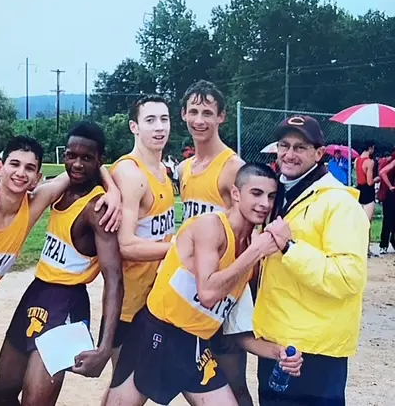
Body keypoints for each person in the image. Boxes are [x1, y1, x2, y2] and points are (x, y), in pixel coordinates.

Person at [104, 163, 303, 406]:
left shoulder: (251, 247)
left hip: (196, 346)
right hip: (157, 335)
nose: (265, 203)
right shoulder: (211, 227)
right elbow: (208, 293)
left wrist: (277, 352)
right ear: (236, 193)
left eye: (271, 196)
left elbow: (235, 330)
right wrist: (256, 252)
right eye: (256, 193)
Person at [0, 135, 120, 406]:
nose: (20, 173)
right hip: (25, 293)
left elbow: (81, 167)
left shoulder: (42, 203)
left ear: (37, 177)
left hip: (65, 301)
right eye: (14, 164)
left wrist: (113, 190)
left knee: (32, 401)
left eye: (29, 168)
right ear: (0, 166)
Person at [255, 115, 368, 405]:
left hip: (316, 351)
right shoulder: (276, 196)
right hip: (276, 341)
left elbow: (348, 277)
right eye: (284, 145)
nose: (289, 154)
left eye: (300, 147)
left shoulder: (340, 204)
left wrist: (289, 248)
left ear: (319, 153)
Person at [175, 80, 250, 404]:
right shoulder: (184, 169)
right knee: (199, 375)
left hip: (223, 288)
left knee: (233, 382)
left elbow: (247, 234)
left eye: (207, 112)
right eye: (193, 111)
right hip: (191, 285)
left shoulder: (232, 168)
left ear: (221, 116)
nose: (199, 120)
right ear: (183, 114)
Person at [101, 95, 176, 368]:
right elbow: (126, 245)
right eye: (150, 120)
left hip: (156, 295)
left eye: (164, 119)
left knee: (148, 379)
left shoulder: (162, 170)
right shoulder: (131, 173)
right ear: (134, 127)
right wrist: (179, 249)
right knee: (125, 382)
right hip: (129, 303)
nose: (159, 127)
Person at [355, 141, 377, 256]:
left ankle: (360, 247)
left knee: (360, 221)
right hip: (368, 192)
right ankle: (366, 249)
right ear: (370, 148)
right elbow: (369, 182)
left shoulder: (357, 160)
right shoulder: (369, 162)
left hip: (360, 191)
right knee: (367, 223)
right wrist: (377, 179)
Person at [378, 151, 395, 254]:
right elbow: (382, 172)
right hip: (391, 194)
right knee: (388, 219)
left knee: (388, 219)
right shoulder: (392, 162)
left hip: (389, 194)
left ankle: (385, 244)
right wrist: (390, 186)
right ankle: (384, 244)